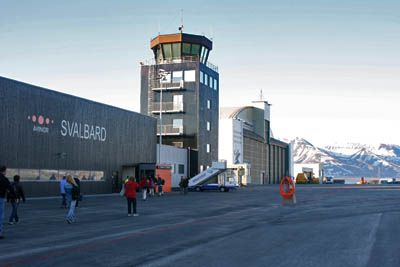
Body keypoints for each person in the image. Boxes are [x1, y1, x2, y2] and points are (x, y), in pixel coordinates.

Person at [0, 166, 11, 239]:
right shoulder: (5, 179)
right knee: (0, 215)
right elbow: (10, 189)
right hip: (1, 198)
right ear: (3, 171)